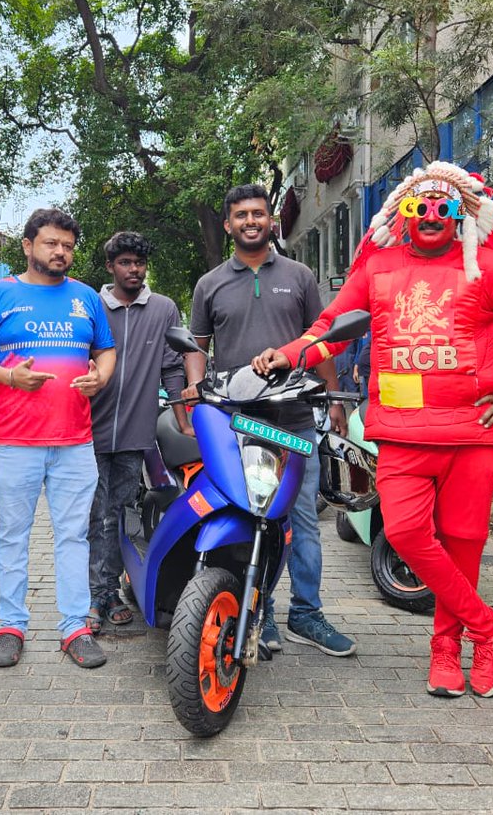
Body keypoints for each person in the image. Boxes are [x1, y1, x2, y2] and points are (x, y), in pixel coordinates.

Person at [253, 162, 493, 698]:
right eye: (419, 207)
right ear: (401, 214)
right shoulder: (377, 271)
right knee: (404, 532)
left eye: (444, 207)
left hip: (471, 434)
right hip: (400, 435)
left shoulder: (486, 267)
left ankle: (448, 650)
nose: (431, 215)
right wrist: (285, 356)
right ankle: (490, 628)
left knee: (463, 544)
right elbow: (331, 331)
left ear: (460, 214)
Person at [185, 183, 355, 658]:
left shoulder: (299, 276)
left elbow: (320, 341)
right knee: (250, 516)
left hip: (296, 421)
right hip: (238, 425)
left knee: (301, 519)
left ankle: (306, 613)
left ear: (271, 221)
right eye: (241, 215)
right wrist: (199, 395)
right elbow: (198, 347)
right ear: (228, 224)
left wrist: (335, 401)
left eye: (258, 213)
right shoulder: (210, 284)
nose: (251, 221)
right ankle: (259, 612)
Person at [0, 208, 117, 669]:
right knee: (13, 535)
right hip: (15, 440)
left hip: (75, 440)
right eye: (51, 243)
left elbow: (105, 351)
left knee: (73, 536)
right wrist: (8, 376)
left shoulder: (86, 298)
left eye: (68, 246)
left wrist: (100, 379)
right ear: (28, 245)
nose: (60, 252)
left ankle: (74, 627)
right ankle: (11, 625)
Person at [87, 231, 188, 632]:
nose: (134, 270)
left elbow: (173, 367)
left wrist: (183, 422)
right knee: (92, 518)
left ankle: (111, 593)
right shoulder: (91, 305)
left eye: (140, 263)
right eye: (126, 262)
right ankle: (93, 598)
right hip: (87, 433)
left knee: (121, 515)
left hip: (135, 434)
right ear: (111, 266)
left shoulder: (163, 309)